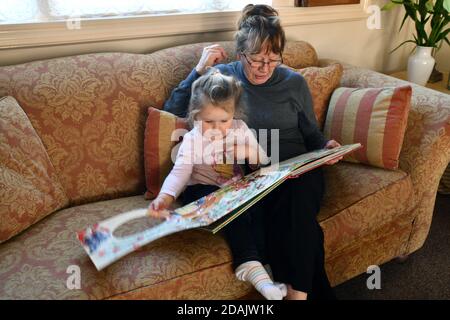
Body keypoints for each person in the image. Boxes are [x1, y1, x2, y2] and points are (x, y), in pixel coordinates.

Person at [162, 4, 342, 300]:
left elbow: (311, 133)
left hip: (299, 167)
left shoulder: (294, 82)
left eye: (273, 60)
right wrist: (199, 69)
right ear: (241, 52)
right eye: (257, 60)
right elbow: (172, 112)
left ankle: (296, 296)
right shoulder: (223, 79)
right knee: (296, 223)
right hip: (258, 175)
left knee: (296, 199)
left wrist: (325, 147)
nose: (264, 68)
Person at [147, 68, 288, 300]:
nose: (217, 128)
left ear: (234, 114)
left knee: (260, 207)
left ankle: (263, 267)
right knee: (233, 208)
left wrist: (249, 153)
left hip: (235, 189)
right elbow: (179, 172)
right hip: (201, 192)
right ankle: (248, 264)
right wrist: (165, 197)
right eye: (209, 121)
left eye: (224, 120)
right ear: (195, 117)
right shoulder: (192, 139)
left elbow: (264, 161)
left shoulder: (239, 129)